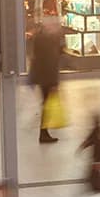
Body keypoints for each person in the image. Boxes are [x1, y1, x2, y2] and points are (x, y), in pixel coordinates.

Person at [30, 16, 63, 144]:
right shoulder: (46, 40)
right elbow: (50, 61)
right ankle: (43, 133)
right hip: (47, 78)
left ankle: (44, 132)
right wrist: (54, 81)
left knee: (46, 104)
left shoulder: (40, 38)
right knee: (46, 105)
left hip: (42, 77)